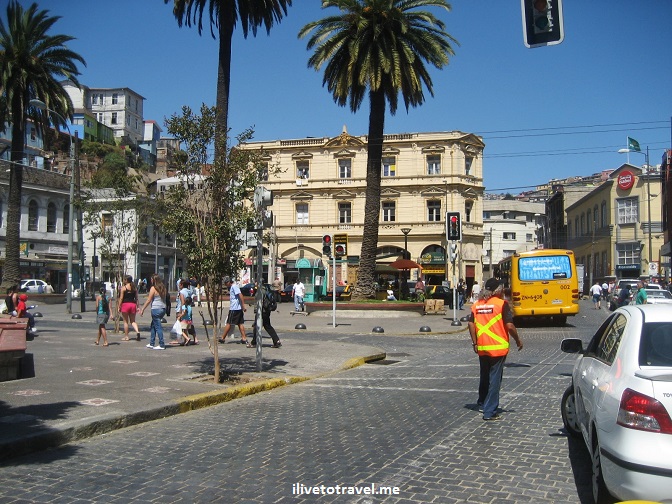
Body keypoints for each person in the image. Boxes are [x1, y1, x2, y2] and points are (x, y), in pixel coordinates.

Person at [468, 277, 523, 421]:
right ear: (498, 291)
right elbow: (510, 326)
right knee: (495, 379)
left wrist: (475, 343)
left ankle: (482, 401)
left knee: (485, 376)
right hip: (498, 348)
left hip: (482, 347)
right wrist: (518, 340)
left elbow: (471, 324)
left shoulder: (477, 305)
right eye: (502, 288)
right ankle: (490, 411)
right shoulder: (501, 304)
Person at [139, 274, 167, 350]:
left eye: (151, 279)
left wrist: (143, 309)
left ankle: (161, 344)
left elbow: (149, 300)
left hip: (156, 309)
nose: (151, 281)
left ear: (154, 280)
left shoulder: (153, 288)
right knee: (153, 325)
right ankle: (152, 343)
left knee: (158, 327)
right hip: (162, 308)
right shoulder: (163, 288)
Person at [219, 277, 249, 346]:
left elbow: (240, 295)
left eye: (226, 283)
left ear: (229, 282)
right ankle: (244, 338)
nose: (225, 285)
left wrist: (243, 305)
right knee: (240, 323)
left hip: (234, 309)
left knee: (229, 323)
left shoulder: (234, 287)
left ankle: (223, 338)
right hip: (238, 308)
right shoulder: (233, 287)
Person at [118, 276, 141, 341]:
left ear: (126, 280)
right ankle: (137, 332)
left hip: (125, 305)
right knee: (133, 321)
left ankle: (126, 336)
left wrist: (119, 306)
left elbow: (121, 298)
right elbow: (136, 298)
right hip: (133, 305)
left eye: (124, 280)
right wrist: (138, 307)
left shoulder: (123, 288)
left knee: (125, 322)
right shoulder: (134, 288)